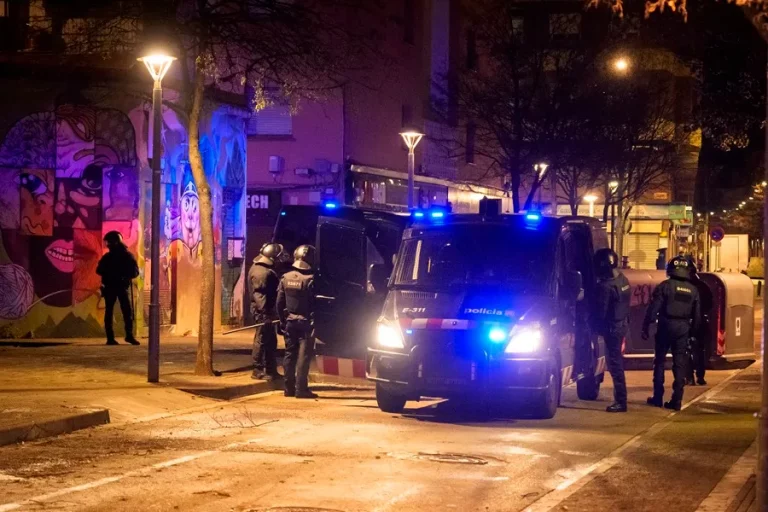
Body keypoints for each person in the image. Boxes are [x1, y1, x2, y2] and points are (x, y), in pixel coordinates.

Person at [642, 257, 701, 411]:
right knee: (679, 364)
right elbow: (697, 315)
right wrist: (693, 333)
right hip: (683, 328)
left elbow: (654, 308)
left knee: (660, 362)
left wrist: (646, 326)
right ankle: (677, 400)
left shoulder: (665, 286)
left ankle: (657, 397)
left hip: (665, 325)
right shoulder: (693, 290)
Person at [592, 249, 632, 413]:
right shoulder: (622, 279)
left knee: (615, 365)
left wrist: (593, 327)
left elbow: (600, 312)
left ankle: (621, 401)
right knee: (617, 363)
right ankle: (621, 400)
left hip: (612, 328)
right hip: (622, 325)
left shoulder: (605, 286)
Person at [277, 245, 318, 399]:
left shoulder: (285, 278)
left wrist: (282, 321)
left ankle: (288, 389)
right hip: (305, 322)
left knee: (289, 355)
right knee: (303, 356)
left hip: (290, 322)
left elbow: (279, 303)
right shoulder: (310, 280)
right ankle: (301, 389)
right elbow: (315, 304)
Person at [248, 243, 285, 381]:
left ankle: (271, 369)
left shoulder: (264, 269)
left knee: (270, 340)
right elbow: (259, 295)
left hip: (267, 311)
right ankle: (257, 369)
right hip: (263, 313)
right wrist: (265, 315)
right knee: (262, 339)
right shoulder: (261, 272)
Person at [96, 231, 140, 346]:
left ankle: (115, 337)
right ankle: (126, 336)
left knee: (117, 312)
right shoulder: (124, 256)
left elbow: (134, 272)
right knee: (125, 312)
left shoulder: (120, 256)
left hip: (116, 286)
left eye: (109, 242)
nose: (108, 245)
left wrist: (117, 274)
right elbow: (134, 272)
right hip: (117, 286)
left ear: (115, 242)